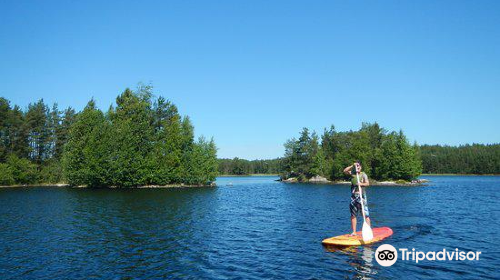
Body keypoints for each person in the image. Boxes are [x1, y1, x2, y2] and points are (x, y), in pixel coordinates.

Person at [343, 161, 371, 236]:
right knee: (353, 215)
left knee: (365, 214)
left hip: (362, 197)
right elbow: (345, 170)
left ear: (361, 167)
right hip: (353, 197)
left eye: (358, 166)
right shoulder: (352, 174)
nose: (357, 167)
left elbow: (367, 183)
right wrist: (352, 165)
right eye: (356, 166)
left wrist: (361, 184)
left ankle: (368, 230)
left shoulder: (363, 174)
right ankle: (354, 232)